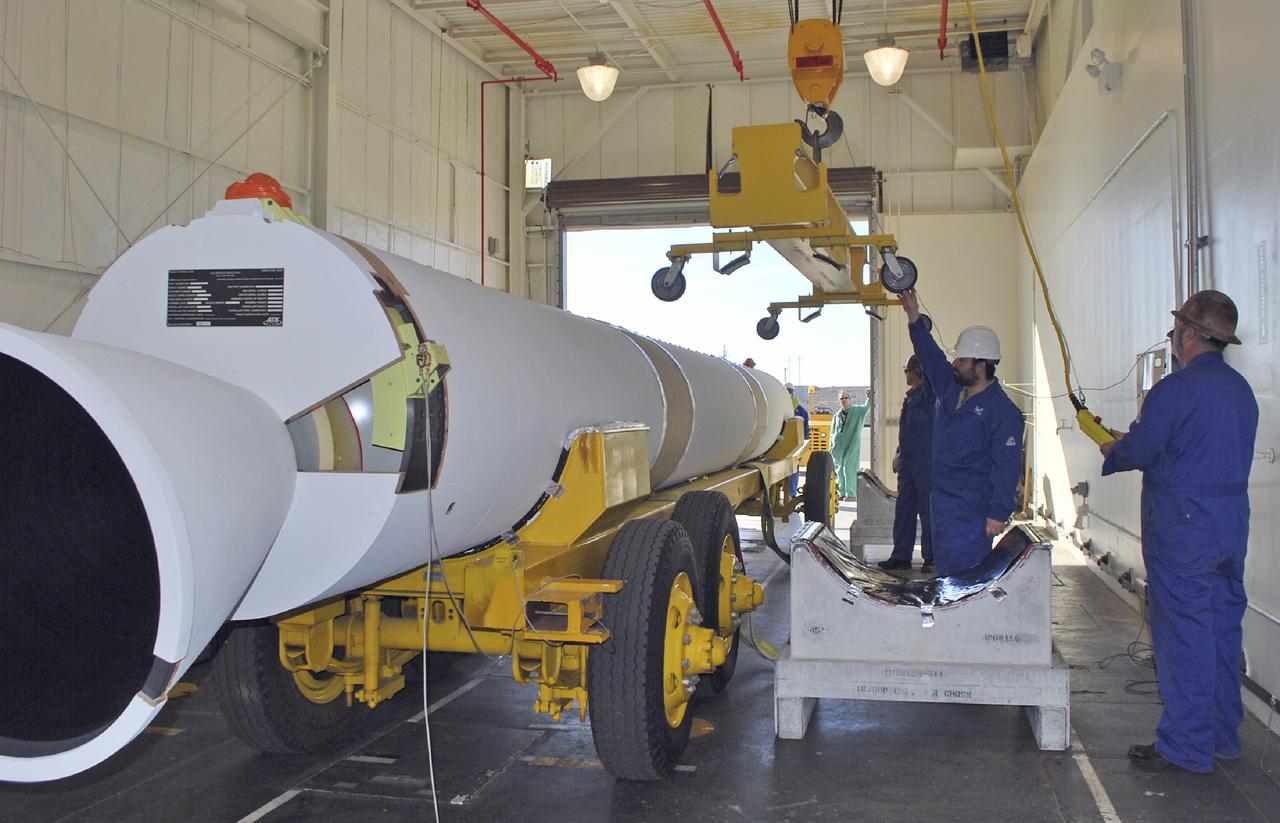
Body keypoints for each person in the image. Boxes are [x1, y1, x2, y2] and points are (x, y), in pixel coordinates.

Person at [1098, 290, 1258, 774]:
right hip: (1230, 527)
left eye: (1175, 332)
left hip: (1184, 528)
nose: (1172, 340)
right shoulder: (1241, 391)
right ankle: (1222, 736)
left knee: (1184, 633)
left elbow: (1143, 449)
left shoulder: (1175, 390)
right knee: (1221, 630)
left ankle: (1186, 746)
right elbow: (1197, 448)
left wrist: (1115, 450)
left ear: (1189, 335)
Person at [900, 288, 1023, 576]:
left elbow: (1007, 465)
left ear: (981, 366)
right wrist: (914, 316)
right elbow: (931, 357)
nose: (954, 363)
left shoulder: (1003, 412)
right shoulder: (953, 389)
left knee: (967, 579)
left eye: (961, 360)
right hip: (942, 506)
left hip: (972, 512)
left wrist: (998, 511)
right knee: (947, 577)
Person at [879, 355, 935, 573]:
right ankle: (901, 556)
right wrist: (898, 454)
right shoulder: (911, 398)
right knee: (904, 511)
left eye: (908, 370)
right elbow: (907, 433)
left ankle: (931, 557)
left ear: (918, 372)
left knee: (928, 512)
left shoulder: (929, 396)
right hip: (909, 463)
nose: (906, 374)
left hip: (925, 464)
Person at [828, 387, 871, 500]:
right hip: (838, 447)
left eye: (846, 397)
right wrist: (831, 447)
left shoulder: (857, 412)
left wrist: (869, 396)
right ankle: (842, 492)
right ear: (839, 401)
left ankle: (851, 493)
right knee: (839, 469)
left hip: (852, 445)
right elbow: (832, 432)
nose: (844, 400)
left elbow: (868, 407)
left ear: (850, 400)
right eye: (842, 398)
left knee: (849, 468)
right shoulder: (836, 416)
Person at [786, 383, 811, 498]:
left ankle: (792, 493)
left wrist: (801, 446)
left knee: (793, 470)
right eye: (787, 391)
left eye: (790, 391)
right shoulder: (781, 408)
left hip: (794, 446)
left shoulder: (801, 411)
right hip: (781, 446)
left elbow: (805, 432)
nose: (789, 393)